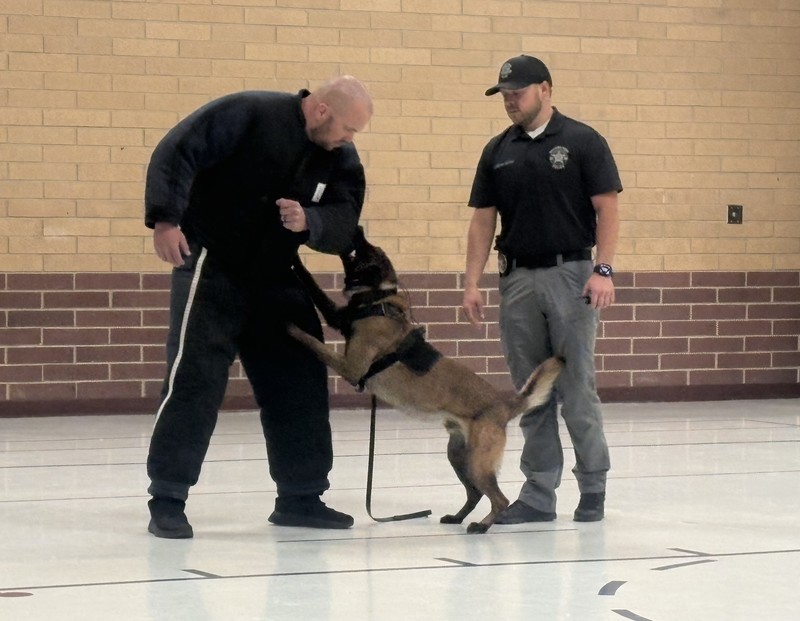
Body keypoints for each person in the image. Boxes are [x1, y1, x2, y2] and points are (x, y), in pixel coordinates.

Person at [143, 76, 373, 538]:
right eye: (348, 128)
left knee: (300, 380)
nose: (350, 140)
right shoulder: (248, 113)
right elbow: (178, 150)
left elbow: (346, 220)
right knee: (194, 380)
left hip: (276, 275)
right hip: (212, 265)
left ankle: (301, 496)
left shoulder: (340, 158)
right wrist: (166, 219)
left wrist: (312, 221)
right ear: (322, 109)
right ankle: (168, 498)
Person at [462, 55, 621, 524]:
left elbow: (607, 210)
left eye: (519, 92)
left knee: (576, 390)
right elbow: (482, 219)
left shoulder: (582, 141)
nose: (510, 100)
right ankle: (538, 495)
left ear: (546, 89)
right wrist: (471, 281)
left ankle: (592, 487)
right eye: (505, 94)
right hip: (516, 281)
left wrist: (604, 270)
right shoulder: (497, 150)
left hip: (571, 276)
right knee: (529, 394)